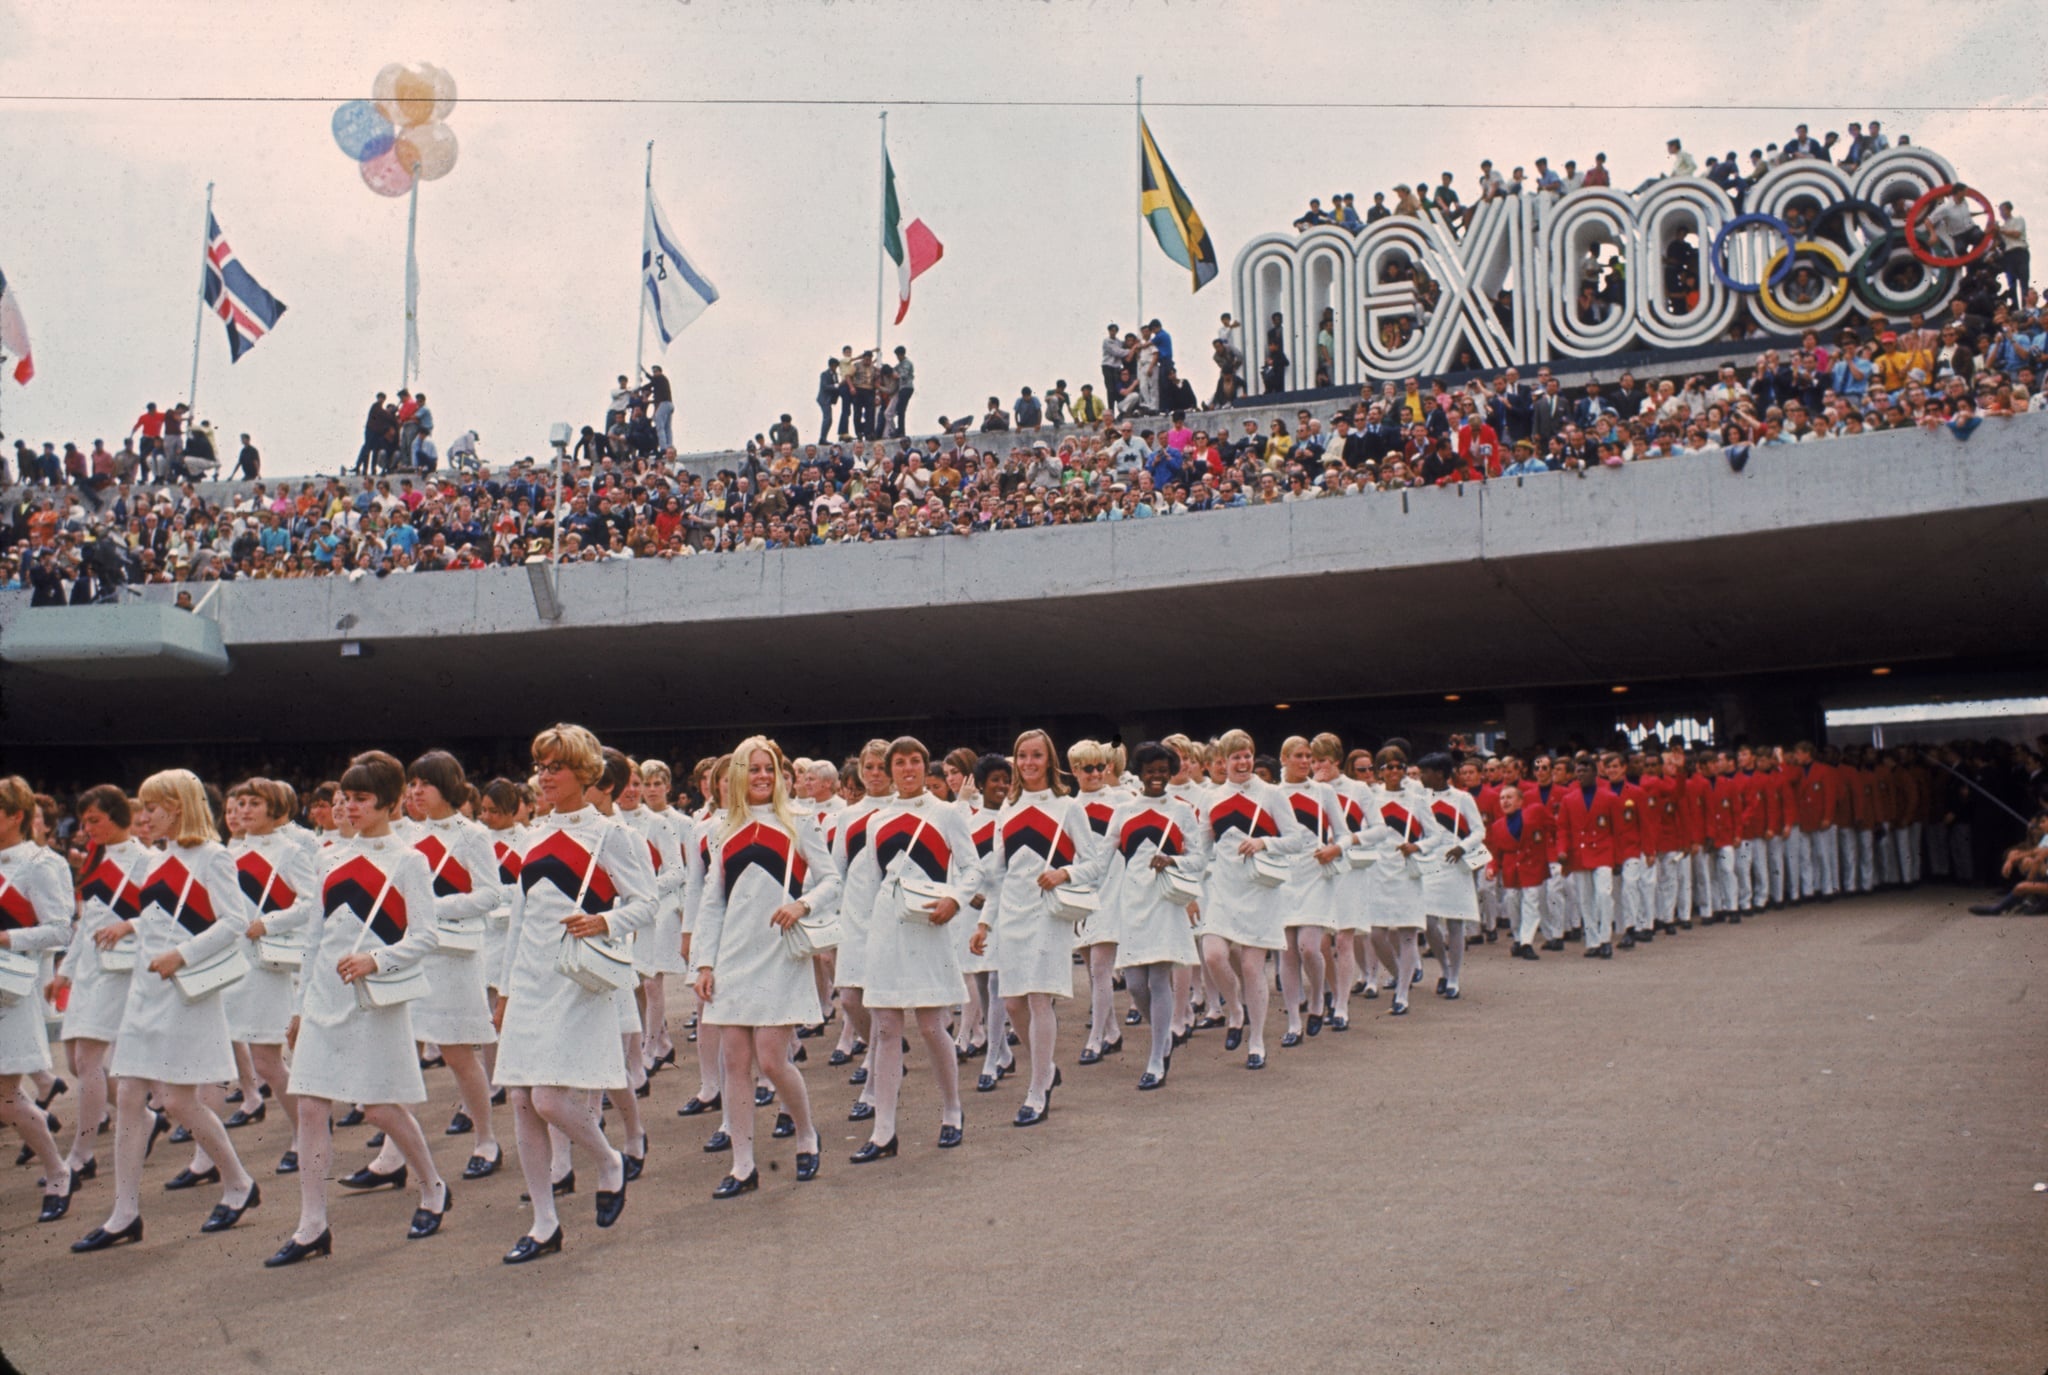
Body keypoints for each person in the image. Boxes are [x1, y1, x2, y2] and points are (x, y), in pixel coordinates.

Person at [264, 751, 452, 1266]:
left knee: (380, 1108)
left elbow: (427, 936)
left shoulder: (409, 860)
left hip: (374, 1000)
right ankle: (312, 1225)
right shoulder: (327, 857)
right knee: (310, 1108)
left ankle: (433, 1186)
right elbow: (314, 938)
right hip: (323, 998)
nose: (348, 806)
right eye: (345, 797)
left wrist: (377, 959)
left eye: (362, 798)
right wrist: (299, 1008)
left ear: (390, 804)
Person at [75, 769, 260, 1252]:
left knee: (178, 1102)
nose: (144, 817)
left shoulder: (214, 856)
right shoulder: (158, 858)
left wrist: (182, 955)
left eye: (153, 808)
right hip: (146, 991)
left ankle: (238, 1182)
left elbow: (234, 922)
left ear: (178, 807)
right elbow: (159, 915)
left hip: (186, 992)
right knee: (130, 1094)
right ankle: (124, 1213)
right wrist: (134, 929)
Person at [491, 724, 657, 1263]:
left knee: (548, 1098)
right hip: (530, 980)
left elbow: (646, 903)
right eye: (541, 766)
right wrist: (505, 990)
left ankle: (608, 1160)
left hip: (577, 978)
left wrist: (604, 922)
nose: (544, 776)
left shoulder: (612, 835)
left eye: (556, 767)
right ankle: (544, 1224)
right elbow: (519, 921)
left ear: (584, 773)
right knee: (522, 1101)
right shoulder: (532, 834)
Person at [689, 738, 838, 1198]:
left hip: (779, 952)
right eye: (752, 769)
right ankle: (742, 1166)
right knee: (735, 1062)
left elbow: (832, 880)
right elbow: (712, 902)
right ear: (737, 774)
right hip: (733, 956)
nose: (761, 776)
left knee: (773, 1059)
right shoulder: (721, 829)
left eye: (768, 768)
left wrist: (802, 904)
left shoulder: (799, 821)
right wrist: (704, 963)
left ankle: (806, 1133)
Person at [847, 736, 980, 1159]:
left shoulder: (948, 813)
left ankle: (952, 1111)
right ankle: (883, 1131)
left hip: (930, 925)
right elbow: (871, 883)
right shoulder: (876, 821)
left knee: (931, 1026)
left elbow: (973, 870)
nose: (908, 769)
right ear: (890, 770)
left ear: (925, 766)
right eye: (900, 762)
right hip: (887, 929)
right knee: (887, 1028)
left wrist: (955, 899)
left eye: (915, 761)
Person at [969, 730, 1103, 1125]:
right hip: (1012, 913)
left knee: (1039, 999)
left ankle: (1036, 1088)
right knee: (1012, 1004)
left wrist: (1064, 873)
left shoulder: (1068, 806)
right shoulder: (1007, 809)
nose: (1029, 763)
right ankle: (1046, 1070)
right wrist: (983, 923)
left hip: (1048, 911)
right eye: (1023, 756)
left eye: (1037, 755)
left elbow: (1094, 865)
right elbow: (998, 874)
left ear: (1049, 760)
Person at [52, 786, 152, 1186]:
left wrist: (130, 925)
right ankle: (147, 1118)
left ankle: (82, 1154)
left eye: (95, 820)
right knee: (76, 1060)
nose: (87, 828)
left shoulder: (146, 860)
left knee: (89, 1058)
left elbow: (164, 916)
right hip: (89, 969)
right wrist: (65, 972)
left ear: (118, 815)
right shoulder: (96, 857)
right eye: (84, 821)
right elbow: (87, 922)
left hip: (120, 970)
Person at [1195, 730, 1308, 1067]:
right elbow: (1201, 852)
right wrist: (1186, 884)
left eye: (1247, 755)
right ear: (1223, 762)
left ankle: (1257, 1041)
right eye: (1236, 757)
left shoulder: (1272, 794)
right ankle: (1235, 1010)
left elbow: (1297, 839)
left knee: (1251, 966)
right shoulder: (1211, 798)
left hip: (1260, 890)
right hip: (1222, 889)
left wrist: (1264, 842)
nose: (1243, 762)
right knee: (1213, 955)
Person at [222, 779, 316, 1174]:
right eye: (240, 803)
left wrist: (269, 923)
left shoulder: (290, 851)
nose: (243, 810)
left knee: (267, 1061)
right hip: (231, 964)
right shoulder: (229, 853)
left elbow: (311, 903)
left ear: (275, 809)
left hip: (266, 965)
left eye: (254, 803)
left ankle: (304, 1134)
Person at [1103, 743, 1209, 1088]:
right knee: (1136, 985)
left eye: (1163, 770)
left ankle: (1155, 1059)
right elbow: (1101, 859)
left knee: (1159, 980)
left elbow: (1199, 859)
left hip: (1165, 903)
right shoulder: (1124, 811)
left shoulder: (1181, 811)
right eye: (1150, 770)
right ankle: (1162, 1039)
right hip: (1132, 904)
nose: (1157, 776)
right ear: (1140, 772)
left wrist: (1172, 859)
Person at [0, 775, 76, 1223]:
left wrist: (7, 937)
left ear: (15, 816)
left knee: (6, 1097)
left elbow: (60, 929)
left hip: (10, 989)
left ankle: (59, 1171)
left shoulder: (39, 864)